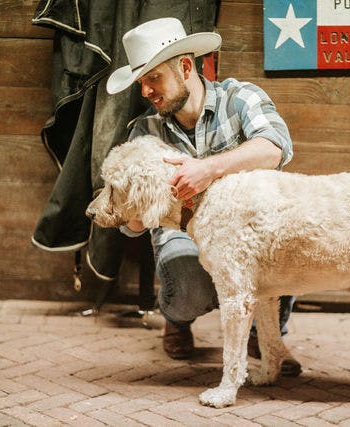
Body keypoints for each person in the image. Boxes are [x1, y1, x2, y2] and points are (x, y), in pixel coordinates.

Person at [106, 17, 300, 375]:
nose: (145, 91)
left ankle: (265, 333)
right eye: (141, 82)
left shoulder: (242, 97)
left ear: (183, 67)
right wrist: (131, 208)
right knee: (188, 280)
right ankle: (177, 318)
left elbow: (274, 148)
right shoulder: (144, 131)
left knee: (282, 247)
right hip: (183, 237)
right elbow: (132, 226)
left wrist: (207, 169)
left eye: (153, 78)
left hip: (250, 233)